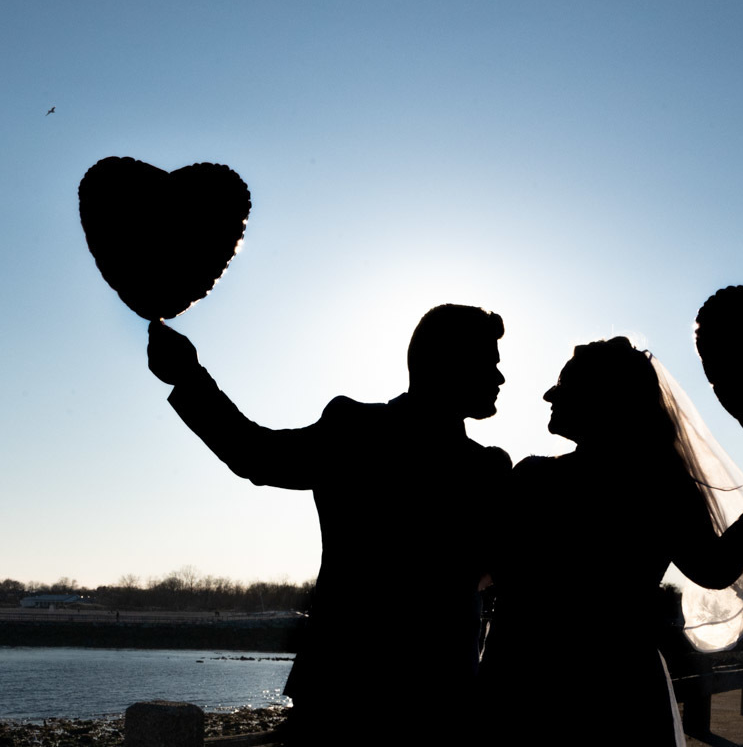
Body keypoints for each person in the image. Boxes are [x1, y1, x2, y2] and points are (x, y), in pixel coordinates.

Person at [147, 304, 511, 746]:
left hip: (347, 694)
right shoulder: (485, 470)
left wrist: (189, 379)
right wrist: (188, 378)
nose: (500, 378)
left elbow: (254, 454)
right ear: (450, 363)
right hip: (425, 704)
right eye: (490, 363)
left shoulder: (358, 431)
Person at [479, 337, 743, 745]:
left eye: (563, 384)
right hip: (620, 683)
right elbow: (716, 569)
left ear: (602, 398)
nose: (549, 393)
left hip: (523, 676)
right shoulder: (662, 487)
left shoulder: (532, 479)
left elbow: (479, 567)